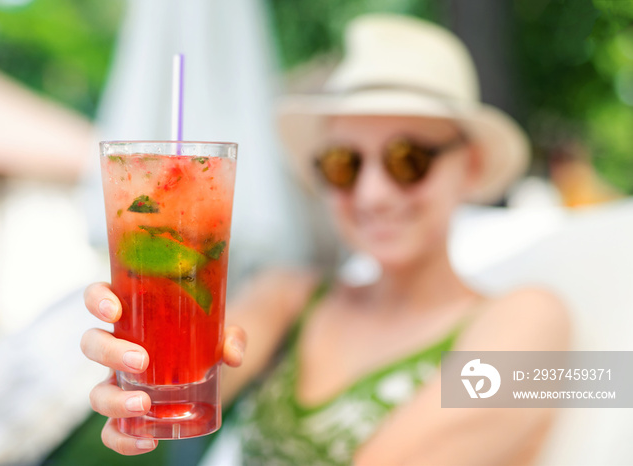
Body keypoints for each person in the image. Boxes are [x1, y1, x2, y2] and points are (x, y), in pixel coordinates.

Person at [80, 14, 570, 465]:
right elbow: (198, 376)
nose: (372, 193)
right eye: (345, 164)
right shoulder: (291, 295)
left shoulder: (529, 321)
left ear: (473, 166)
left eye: (408, 160)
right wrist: (137, 376)